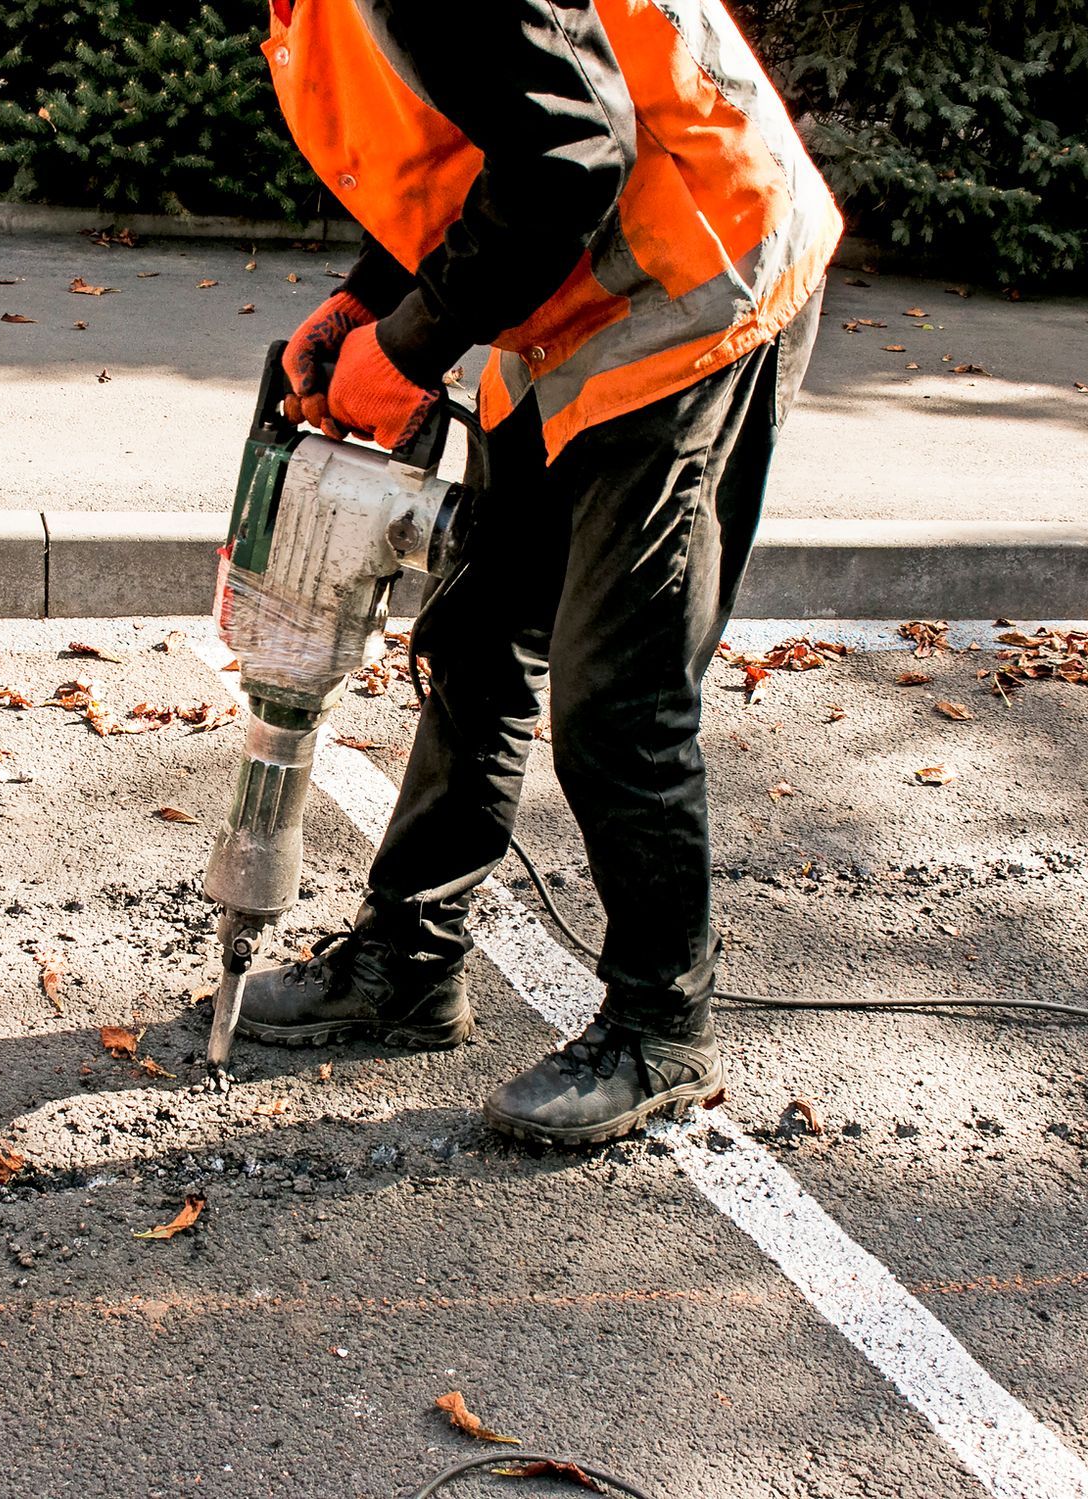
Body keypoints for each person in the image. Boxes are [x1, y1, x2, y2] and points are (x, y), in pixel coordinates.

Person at [234, 0, 841, 1145]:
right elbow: (489, 128)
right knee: (478, 628)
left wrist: (410, 348)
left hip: (694, 269)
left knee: (618, 683)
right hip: (574, 276)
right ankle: (412, 959)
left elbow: (572, 150)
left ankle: (661, 1024)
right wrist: (376, 299)